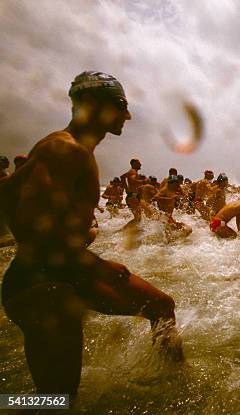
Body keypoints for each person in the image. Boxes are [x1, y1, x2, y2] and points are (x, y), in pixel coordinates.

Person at [0, 71, 183, 396]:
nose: (127, 114)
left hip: (64, 273)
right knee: (56, 399)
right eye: (120, 104)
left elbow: (10, 194)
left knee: (161, 307)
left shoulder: (65, 148)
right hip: (43, 285)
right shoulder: (64, 148)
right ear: (89, 102)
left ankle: (176, 388)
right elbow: (29, 221)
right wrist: (96, 265)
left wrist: (81, 236)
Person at [153, 175, 192, 239]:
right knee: (170, 237)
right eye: (176, 183)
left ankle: (177, 246)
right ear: (172, 183)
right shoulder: (164, 190)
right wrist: (170, 199)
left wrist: (183, 196)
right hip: (163, 217)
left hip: (169, 217)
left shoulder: (175, 189)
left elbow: (184, 195)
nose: (178, 184)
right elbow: (154, 198)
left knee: (188, 230)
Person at [120, 158, 146, 229]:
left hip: (133, 196)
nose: (141, 164)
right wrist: (143, 181)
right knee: (138, 218)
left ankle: (130, 231)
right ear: (134, 164)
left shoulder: (131, 171)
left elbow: (122, 177)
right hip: (132, 197)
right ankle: (123, 230)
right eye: (139, 163)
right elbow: (132, 180)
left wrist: (126, 188)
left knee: (138, 218)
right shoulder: (133, 171)